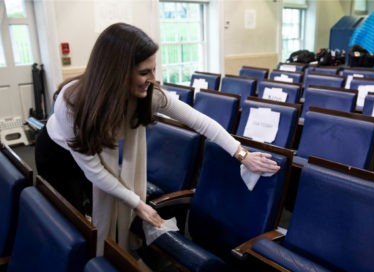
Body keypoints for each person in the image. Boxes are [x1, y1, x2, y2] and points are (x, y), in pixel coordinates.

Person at [35, 23, 280, 255]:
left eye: (153, 69)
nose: (153, 78)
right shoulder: (71, 102)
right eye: (144, 72)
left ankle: (114, 254)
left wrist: (242, 155)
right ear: (117, 73)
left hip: (96, 154)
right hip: (58, 154)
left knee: (105, 207)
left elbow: (199, 121)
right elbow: (94, 171)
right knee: (72, 217)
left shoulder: (148, 95)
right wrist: (139, 204)